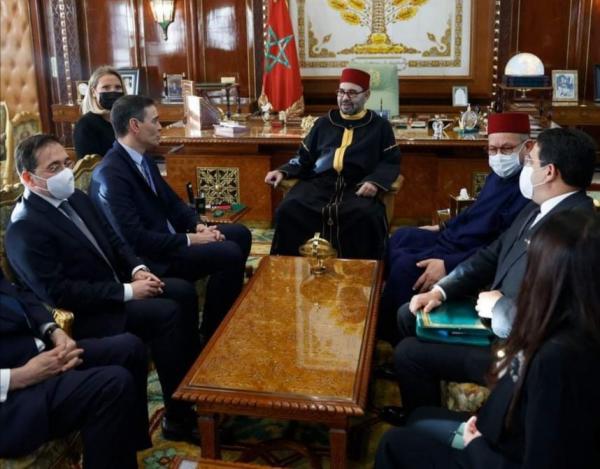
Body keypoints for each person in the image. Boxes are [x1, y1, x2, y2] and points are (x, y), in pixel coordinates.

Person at [380, 127, 596, 424]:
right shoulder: (538, 208)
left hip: (514, 347)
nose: (525, 168)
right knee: (409, 313)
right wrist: (441, 290)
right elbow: (490, 255)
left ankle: (427, 425)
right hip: (491, 314)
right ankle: (424, 414)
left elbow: (561, 320)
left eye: (530, 161)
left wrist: (499, 307)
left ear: (549, 172)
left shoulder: (577, 233)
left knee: (408, 353)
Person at [5, 134, 202, 443]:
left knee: (182, 292)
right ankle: (178, 418)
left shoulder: (75, 197)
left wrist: (137, 270)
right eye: (53, 167)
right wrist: (128, 292)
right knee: (166, 313)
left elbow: (114, 240)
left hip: (116, 286)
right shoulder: (24, 227)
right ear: (29, 178)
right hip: (88, 313)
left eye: (66, 163)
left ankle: (194, 385)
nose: (65, 172)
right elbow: (60, 293)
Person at [375, 210, 600, 468]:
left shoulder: (555, 358)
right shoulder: (572, 326)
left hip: (490, 453)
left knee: (393, 443)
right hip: (493, 434)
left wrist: (476, 445)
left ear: (555, 276)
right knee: (419, 416)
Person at [89, 95, 251, 340]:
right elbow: (136, 239)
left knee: (240, 234)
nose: (160, 127)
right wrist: (191, 240)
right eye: (155, 121)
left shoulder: (143, 158)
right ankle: (214, 334)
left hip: (169, 239)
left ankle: (217, 321)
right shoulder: (112, 175)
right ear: (135, 125)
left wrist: (198, 226)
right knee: (228, 252)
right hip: (154, 256)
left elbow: (173, 203)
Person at [378, 113, 530, 344]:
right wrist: (441, 226)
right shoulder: (497, 175)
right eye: (492, 149)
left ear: (527, 147)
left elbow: (498, 246)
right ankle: (380, 306)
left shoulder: (527, 188)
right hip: (453, 237)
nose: (499, 156)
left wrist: (448, 265)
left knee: (405, 266)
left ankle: (390, 337)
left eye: (506, 149)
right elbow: (474, 211)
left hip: (466, 252)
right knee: (400, 236)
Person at [0, 269, 150, 467]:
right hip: (13, 399)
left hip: (41, 354)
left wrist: (54, 331)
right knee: (113, 385)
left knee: (130, 348)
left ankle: (131, 448)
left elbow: (21, 294)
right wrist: (23, 375)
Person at [264, 67, 401, 260]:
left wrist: (374, 182)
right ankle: (289, 268)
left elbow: (390, 161)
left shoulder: (380, 126)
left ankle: (364, 272)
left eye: (352, 93)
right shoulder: (324, 123)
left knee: (366, 215)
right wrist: (284, 171)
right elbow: (304, 157)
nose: (345, 98)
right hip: (319, 184)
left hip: (357, 187)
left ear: (367, 95)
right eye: (341, 92)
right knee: (289, 208)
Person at [73, 65, 125, 159]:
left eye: (118, 87)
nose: (113, 91)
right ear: (93, 92)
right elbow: (89, 164)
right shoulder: (85, 124)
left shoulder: (127, 120)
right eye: (106, 87)